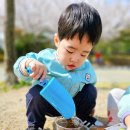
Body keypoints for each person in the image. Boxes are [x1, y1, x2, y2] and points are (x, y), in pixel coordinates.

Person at [14, 2, 103, 130]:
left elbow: (91, 87)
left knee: (90, 90)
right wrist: (28, 64)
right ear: (57, 41)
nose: (75, 59)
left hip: (73, 106)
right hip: (49, 103)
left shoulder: (86, 67)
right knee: (34, 94)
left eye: (84, 54)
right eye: (70, 51)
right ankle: (35, 125)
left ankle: (82, 120)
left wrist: (89, 107)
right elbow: (19, 66)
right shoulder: (45, 58)